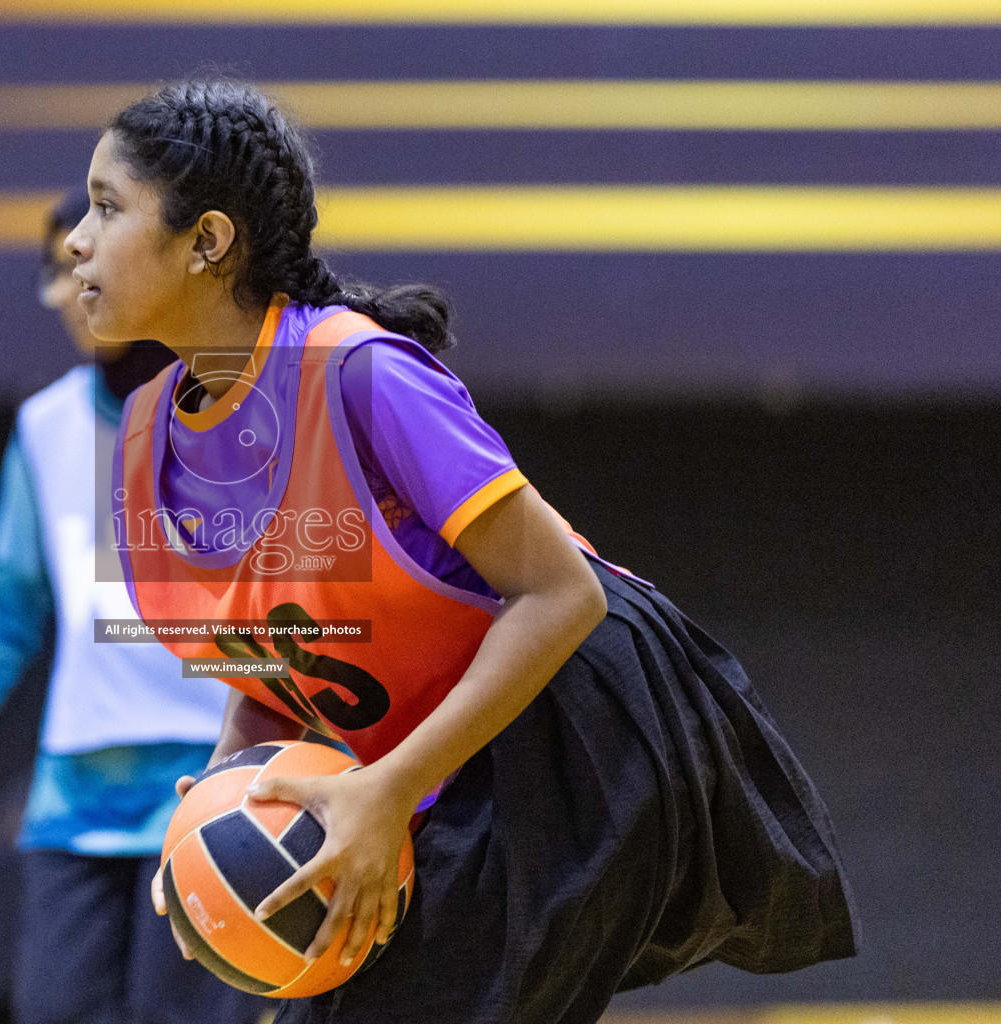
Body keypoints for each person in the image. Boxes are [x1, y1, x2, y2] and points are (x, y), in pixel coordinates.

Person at [65, 79, 859, 1024]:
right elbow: (268, 649)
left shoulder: (363, 372)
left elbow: (564, 596)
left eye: (108, 206)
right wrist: (230, 788)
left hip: (573, 708)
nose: (75, 238)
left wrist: (390, 789)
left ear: (208, 241)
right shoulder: (145, 430)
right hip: (417, 745)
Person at [0, 191, 271, 1024]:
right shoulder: (43, 427)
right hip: (74, 799)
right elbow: (8, 615)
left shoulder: (251, 413)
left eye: (93, 256)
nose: (77, 281)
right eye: (61, 268)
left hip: (211, 782)